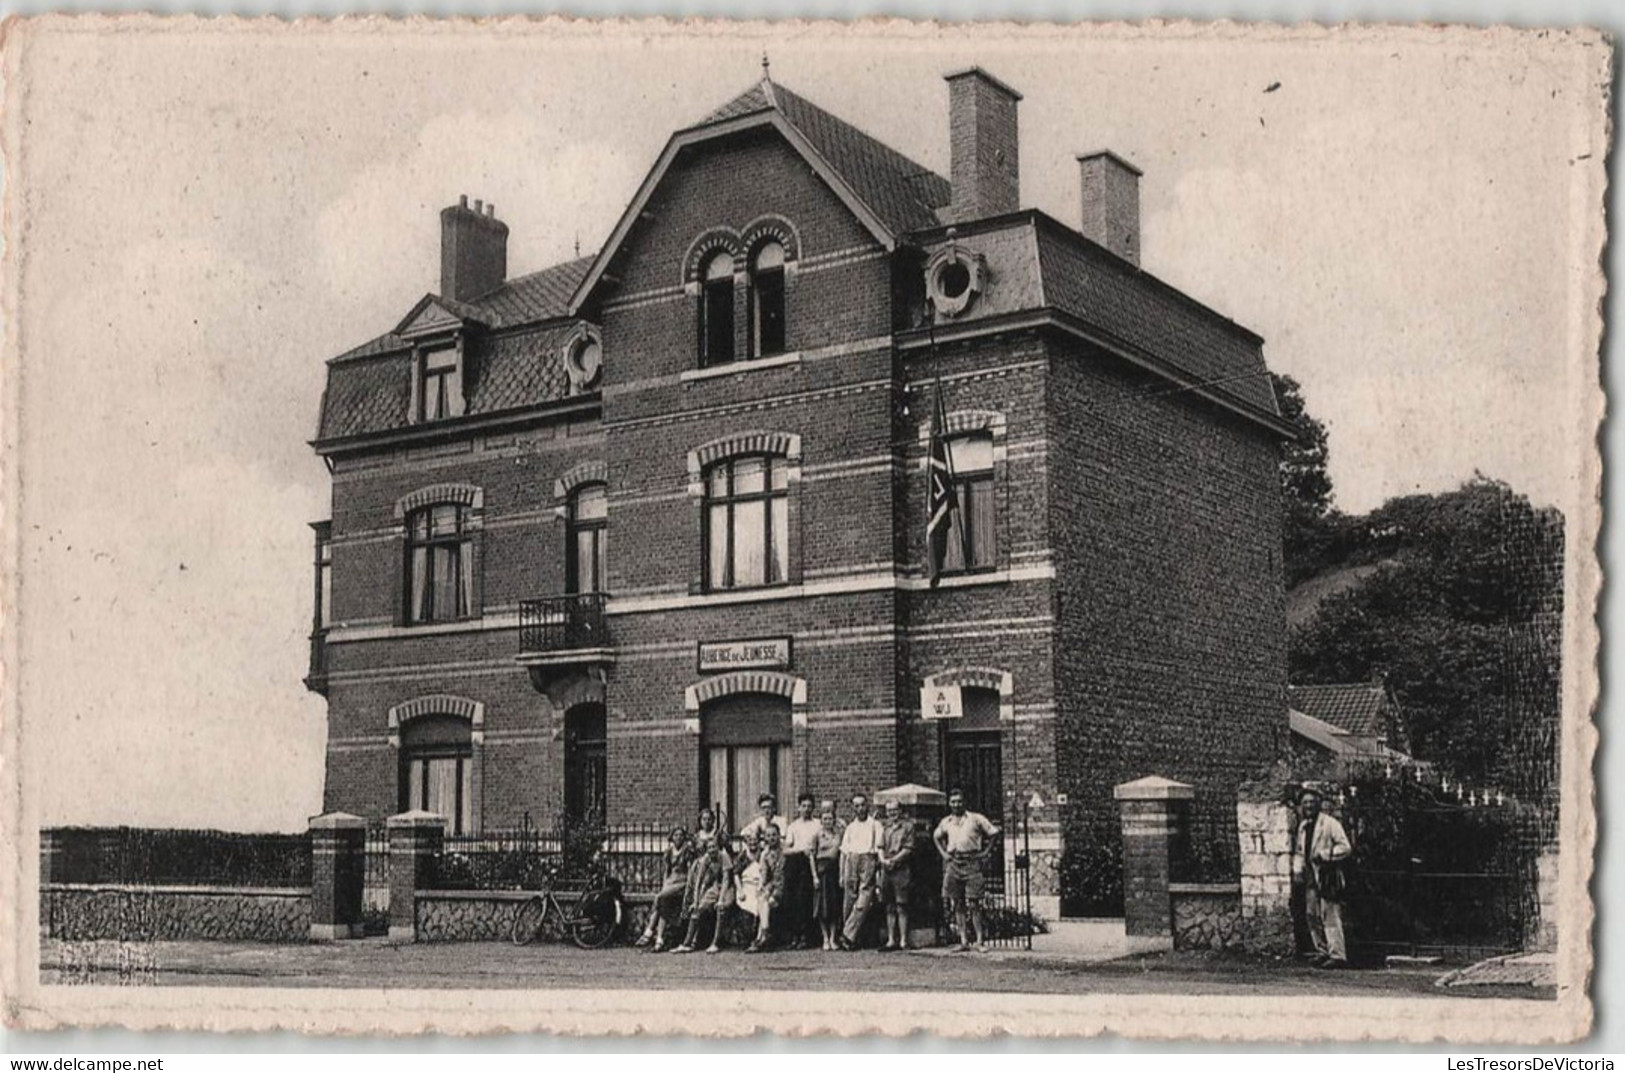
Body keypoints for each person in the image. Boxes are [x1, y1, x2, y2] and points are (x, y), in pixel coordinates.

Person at [933, 788, 1000, 952]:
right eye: (953, 801)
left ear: (964, 802)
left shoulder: (975, 819)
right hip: (954, 862)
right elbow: (936, 836)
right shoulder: (946, 821)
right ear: (949, 803)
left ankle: (979, 941)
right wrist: (944, 854)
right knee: (957, 902)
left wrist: (985, 852)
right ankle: (963, 940)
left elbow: (994, 833)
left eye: (959, 801)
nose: (956, 804)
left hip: (971, 861)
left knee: (974, 902)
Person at [1298, 786, 1353, 968]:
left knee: (1330, 914)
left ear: (1318, 804)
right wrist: (1298, 870)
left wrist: (1324, 854)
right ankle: (1321, 950)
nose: (1308, 806)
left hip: (1327, 875)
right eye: (1305, 802)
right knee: (1311, 915)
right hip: (1311, 877)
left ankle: (1337, 955)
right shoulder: (1303, 826)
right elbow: (1300, 851)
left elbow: (1345, 847)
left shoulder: (1329, 824)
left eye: (1312, 802)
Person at [671, 837, 734, 955]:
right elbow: (699, 881)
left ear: (718, 847)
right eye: (709, 847)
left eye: (713, 847)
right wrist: (696, 901)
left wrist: (720, 900)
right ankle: (687, 943)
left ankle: (715, 943)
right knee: (698, 909)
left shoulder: (724, 856)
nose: (711, 850)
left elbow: (726, 880)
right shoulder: (706, 858)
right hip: (715, 887)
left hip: (727, 888)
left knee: (721, 908)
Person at [838, 792, 885, 949]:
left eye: (862, 805)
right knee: (849, 898)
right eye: (856, 806)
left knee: (864, 898)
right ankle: (851, 938)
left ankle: (847, 934)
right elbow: (844, 852)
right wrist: (842, 873)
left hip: (868, 858)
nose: (860, 809)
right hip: (852, 859)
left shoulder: (875, 825)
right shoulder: (850, 827)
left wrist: (879, 864)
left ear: (867, 806)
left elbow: (879, 848)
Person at [636, 826, 693, 951]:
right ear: (672, 837)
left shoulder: (687, 851)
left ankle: (649, 931)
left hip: (681, 883)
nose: (678, 837)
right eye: (676, 835)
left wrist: (688, 888)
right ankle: (659, 939)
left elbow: (689, 872)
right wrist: (664, 885)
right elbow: (666, 872)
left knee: (659, 897)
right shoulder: (668, 852)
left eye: (681, 835)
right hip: (670, 883)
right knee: (663, 903)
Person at [782, 793, 822, 949]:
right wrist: (800, 849)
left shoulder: (817, 824)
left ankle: (806, 936)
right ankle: (794, 936)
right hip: (795, 863)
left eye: (809, 806)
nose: (806, 809)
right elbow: (786, 849)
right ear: (799, 807)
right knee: (791, 899)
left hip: (810, 864)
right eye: (803, 806)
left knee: (804, 900)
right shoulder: (793, 826)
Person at [877, 800, 914, 951]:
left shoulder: (908, 827)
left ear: (900, 811)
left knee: (901, 905)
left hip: (901, 868)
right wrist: (883, 860)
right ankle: (891, 939)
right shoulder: (885, 828)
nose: (892, 814)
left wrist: (894, 860)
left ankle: (904, 940)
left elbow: (908, 848)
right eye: (889, 811)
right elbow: (880, 847)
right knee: (889, 905)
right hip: (887, 869)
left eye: (894, 810)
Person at [746, 824, 787, 952]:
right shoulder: (765, 854)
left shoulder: (785, 849)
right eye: (768, 835)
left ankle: (760, 938)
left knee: (767, 902)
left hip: (786, 885)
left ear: (779, 835)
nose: (772, 838)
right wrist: (761, 887)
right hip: (773, 884)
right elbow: (764, 875)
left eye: (774, 835)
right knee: (763, 899)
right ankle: (763, 935)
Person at [812, 805, 844, 951]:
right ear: (821, 820)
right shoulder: (817, 836)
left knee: (834, 906)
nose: (827, 821)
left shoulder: (838, 835)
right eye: (825, 819)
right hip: (821, 872)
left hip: (834, 872)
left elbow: (840, 852)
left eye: (830, 818)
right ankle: (825, 938)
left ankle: (833, 938)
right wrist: (814, 876)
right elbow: (812, 857)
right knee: (822, 907)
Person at [738, 793, 787, 861]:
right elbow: (744, 832)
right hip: (765, 853)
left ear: (774, 809)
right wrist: (753, 834)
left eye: (769, 807)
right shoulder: (760, 820)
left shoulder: (781, 821)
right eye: (764, 808)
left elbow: (782, 839)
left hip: (778, 852)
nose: (766, 811)